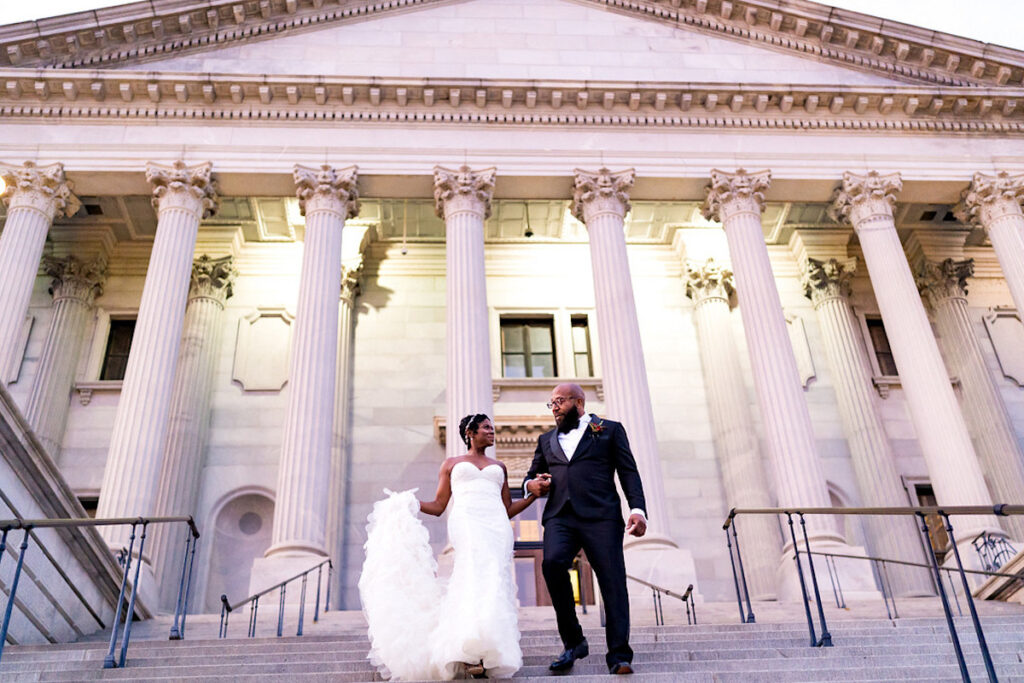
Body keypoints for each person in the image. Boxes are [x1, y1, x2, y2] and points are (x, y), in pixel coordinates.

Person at [359, 414, 536, 680]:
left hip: (497, 527)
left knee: (493, 580)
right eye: (486, 428)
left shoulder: (499, 466)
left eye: (492, 428)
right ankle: (467, 649)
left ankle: (489, 650)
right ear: (470, 433)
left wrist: (533, 497)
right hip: (466, 523)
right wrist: (409, 503)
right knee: (471, 575)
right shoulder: (451, 463)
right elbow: (439, 505)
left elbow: (507, 508)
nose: (492, 432)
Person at [524, 383, 647, 675]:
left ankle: (619, 655)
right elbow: (531, 476)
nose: (554, 407)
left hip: (601, 517)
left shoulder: (610, 430)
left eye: (559, 401)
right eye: (551, 403)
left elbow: (628, 471)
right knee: (552, 564)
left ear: (579, 402)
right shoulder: (546, 439)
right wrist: (531, 484)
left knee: (612, 581)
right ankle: (574, 641)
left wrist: (637, 510)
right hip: (560, 517)